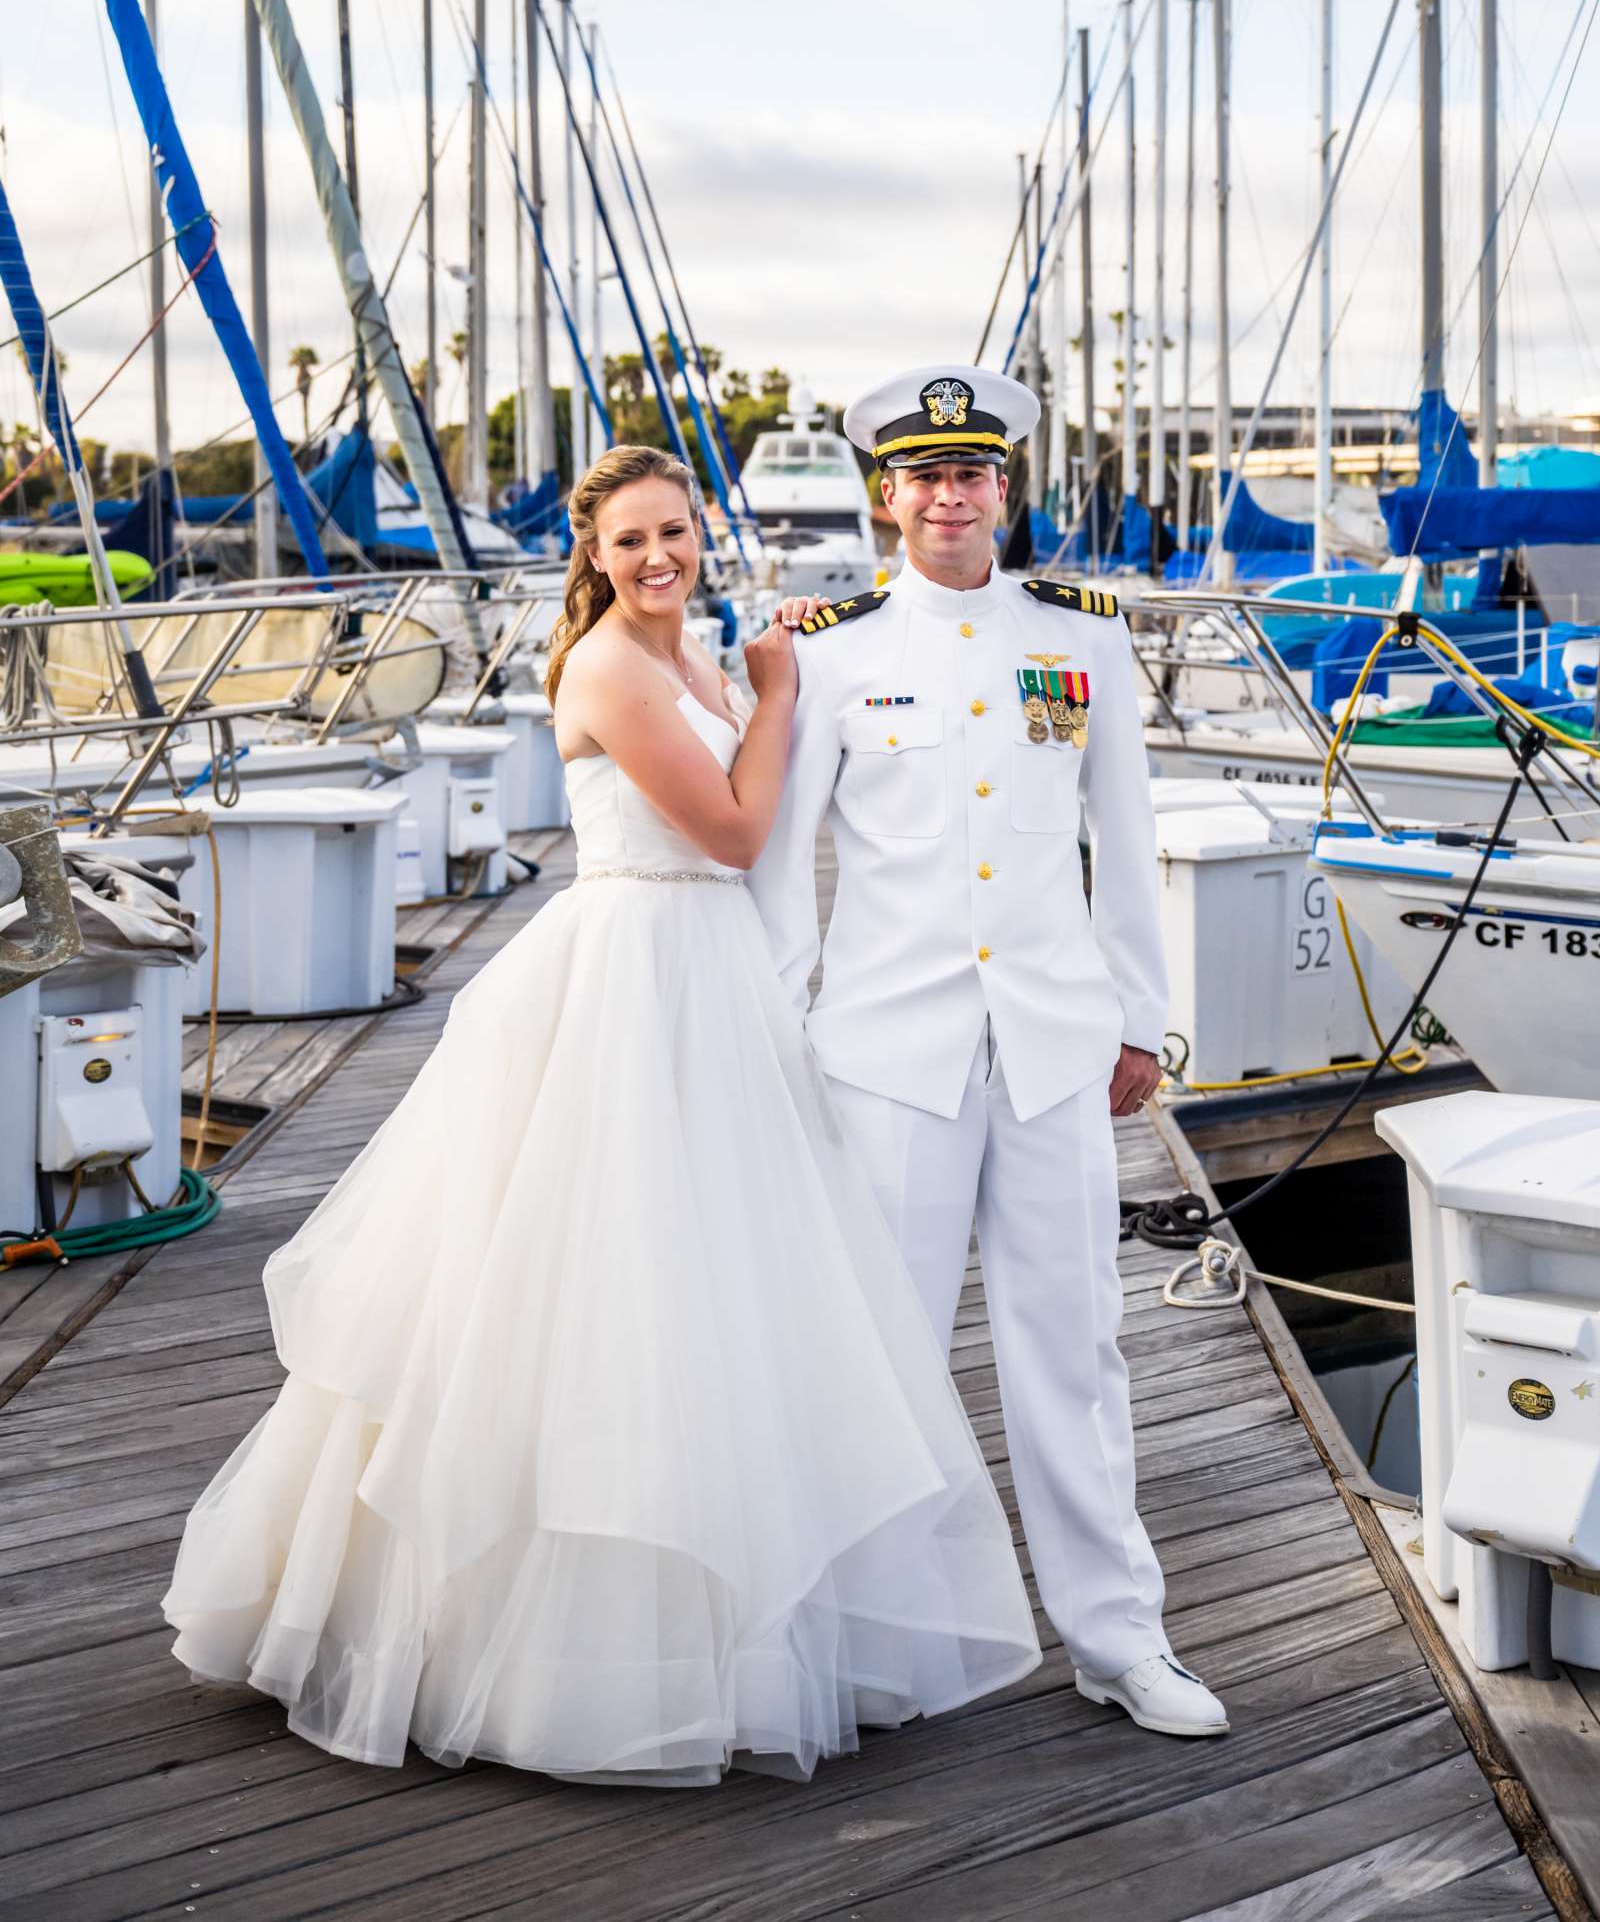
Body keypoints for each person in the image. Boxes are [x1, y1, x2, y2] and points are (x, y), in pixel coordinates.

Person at [163, 443, 1039, 1786]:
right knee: (576, 1295)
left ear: (699, 537)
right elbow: (739, 834)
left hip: (711, 987)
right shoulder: (612, 670)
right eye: (629, 541)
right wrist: (781, 695)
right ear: (591, 553)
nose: (657, 558)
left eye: (675, 533)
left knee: (706, 1301)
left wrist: (758, 681)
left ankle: (728, 1617)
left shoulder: (690, 658)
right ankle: (536, 1643)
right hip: (630, 978)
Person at [748, 366, 1228, 1738]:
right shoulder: (828, 649)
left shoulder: (1085, 637)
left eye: (972, 473)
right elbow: (786, 872)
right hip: (888, 1050)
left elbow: (1124, 839)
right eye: (923, 476)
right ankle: (867, 1638)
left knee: (1073, 1348)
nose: (949, 495)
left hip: (1055, 1043)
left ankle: (1117, 1637)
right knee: (884, 1350)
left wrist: (1140, 1014)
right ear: (887, 497)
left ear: (1004, 491)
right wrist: (781, 1036)